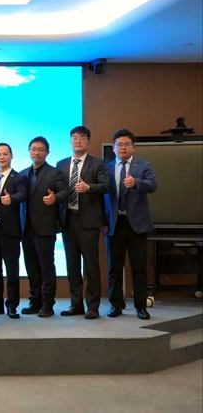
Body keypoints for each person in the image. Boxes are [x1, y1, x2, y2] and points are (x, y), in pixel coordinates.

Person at [57, 126, 109, 319]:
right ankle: (76, 304)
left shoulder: (98, 163)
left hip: (89, 221)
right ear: (70, 141)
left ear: (88, 141)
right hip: (68, 220)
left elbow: (106, 186)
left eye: (82, 137)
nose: (78, 141)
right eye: (74, 138)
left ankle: (93, 306)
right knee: (72, 265)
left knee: (91, 266)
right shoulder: (61, 164)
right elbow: (59, 190)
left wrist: (88, 187)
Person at [105, 128, 157, 320]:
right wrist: (103, 222)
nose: (123, 147)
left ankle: (140, 306)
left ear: (133, 148)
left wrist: (136, 182)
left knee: (139, 267)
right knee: (114, 267)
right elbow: (101, 198)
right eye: (119, 144)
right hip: (114, 223)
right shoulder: (107, 168)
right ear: (113, 148)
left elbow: (153, 185)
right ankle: (116, 305)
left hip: (137, 224)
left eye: (127, 144)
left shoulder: (143, 165)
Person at [21, 136, 68, 318]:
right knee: (31, 267)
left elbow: (65, 192)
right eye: (33, 149)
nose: (37, 152)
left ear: (47, 152)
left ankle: (48, 304)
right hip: (26, 228)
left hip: (46, 227)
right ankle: (35, 302)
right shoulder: (23, 174)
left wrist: (55, 198)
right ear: (29, 151)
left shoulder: (55, 173)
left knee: (47, 267)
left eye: (41, 149)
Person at [0, 143, 27, 319]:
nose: (2, 157)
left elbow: (23, 194)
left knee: (12, 270)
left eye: (5, 154)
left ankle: (12, 305)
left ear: (11, 156)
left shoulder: (19, 178)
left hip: (10, 231)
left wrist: (12, 199)